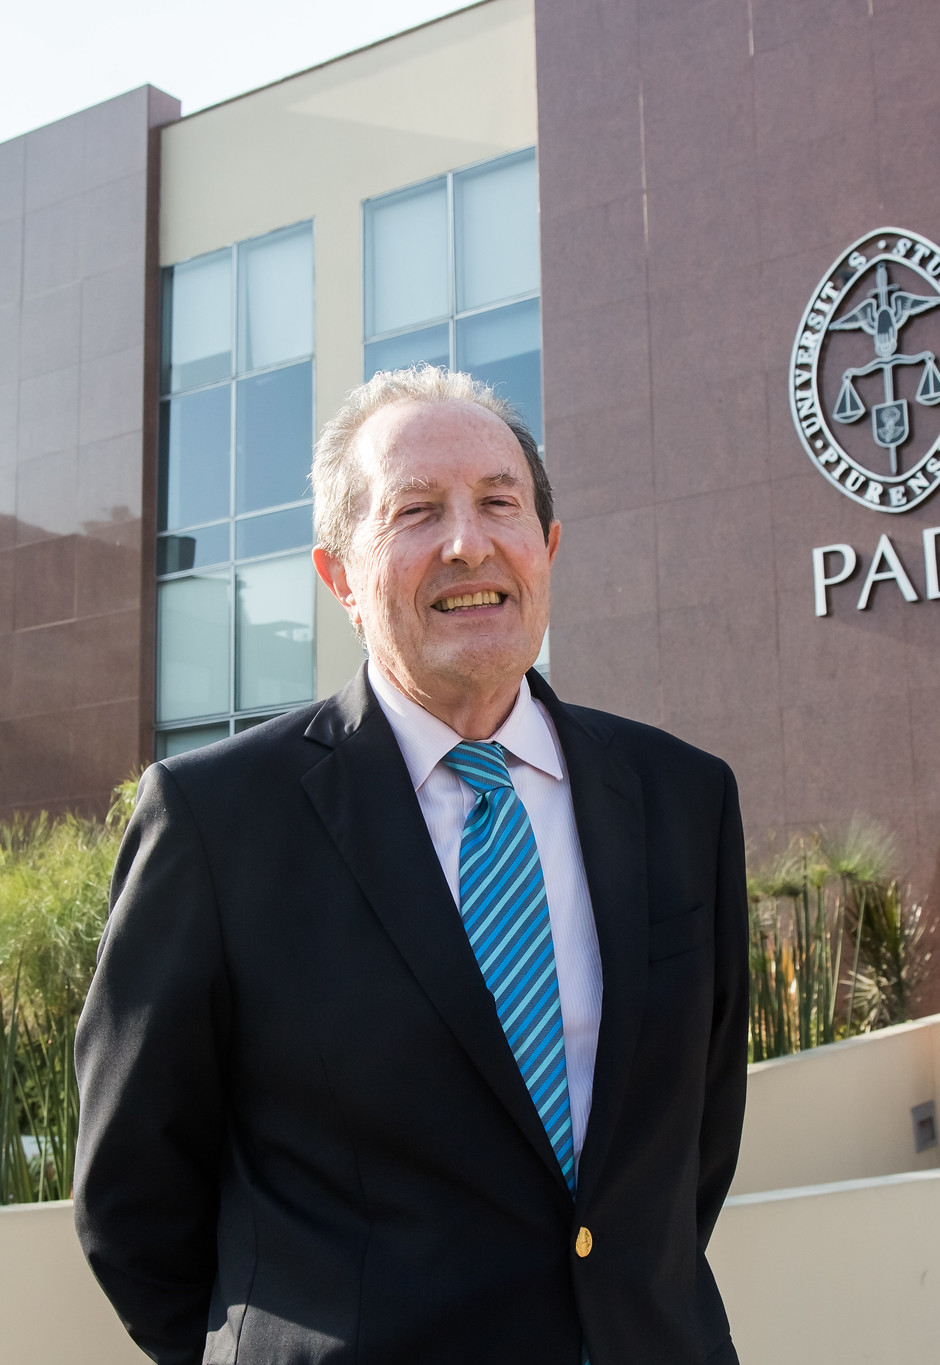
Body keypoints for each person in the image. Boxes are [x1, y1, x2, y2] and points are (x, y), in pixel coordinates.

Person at [72, 366, 749, 1365]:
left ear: (548, 548)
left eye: (499, 504)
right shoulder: (217, 821)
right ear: (339, 578)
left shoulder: (682, 797)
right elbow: (132, 1193)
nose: (468, 543)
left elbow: (695, 1148)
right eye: (416, 511)